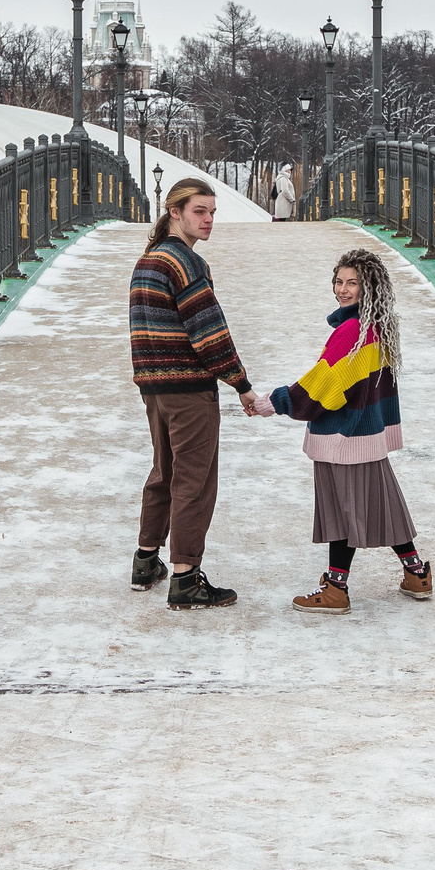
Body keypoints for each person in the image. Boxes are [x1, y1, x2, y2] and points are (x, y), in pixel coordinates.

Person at [268, 246, 432, 612]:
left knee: (344, 511)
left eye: (352, 283)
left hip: (345, 434)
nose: (343, 289)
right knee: (383, 504)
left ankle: (335, 590)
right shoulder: (376, 326)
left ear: (367, 287)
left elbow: (322, 385)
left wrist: (276, 402)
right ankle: (417, 573)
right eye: (339, 282)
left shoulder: (352, 332)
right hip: (368, 432)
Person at [130, 176, 268, 609]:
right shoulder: (186, 263)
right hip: (189, 391)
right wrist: (241, 385)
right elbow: (210, 334)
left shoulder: (149, 260)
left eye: (212, 213)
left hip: (154, 389)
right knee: (194, 483)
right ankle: (186, 578)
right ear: (175, 212)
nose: (208, 220)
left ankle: (146, 561)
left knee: (163, 475)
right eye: (199, 212)